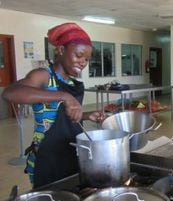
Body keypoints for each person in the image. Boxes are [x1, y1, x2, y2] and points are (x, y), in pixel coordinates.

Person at [2, 22, 105, 188]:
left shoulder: (72, 82)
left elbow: (62, 116)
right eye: (78, 56)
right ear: (61, 50)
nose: (82, 63)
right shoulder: (43, 75)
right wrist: (63, 96)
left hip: (70, 150)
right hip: (47, 156)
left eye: (86, 59)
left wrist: (85, 115)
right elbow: (10, 93)